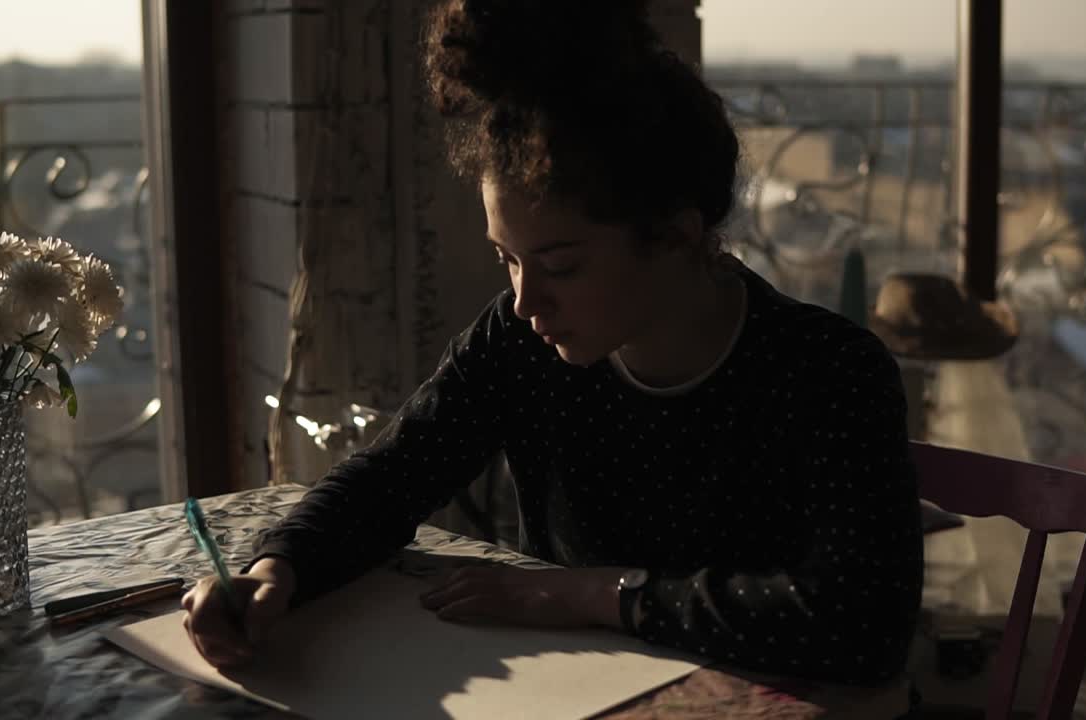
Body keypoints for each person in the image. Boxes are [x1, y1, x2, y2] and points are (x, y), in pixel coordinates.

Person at [183, 0, 923, 693]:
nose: (525, 300)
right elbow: (392, 476)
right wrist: (279, 566)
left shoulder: (828, 372)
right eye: (507, 259)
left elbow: (863, 623)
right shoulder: (521, 342)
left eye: (562, 266)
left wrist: (592, 595)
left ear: (676, 234)